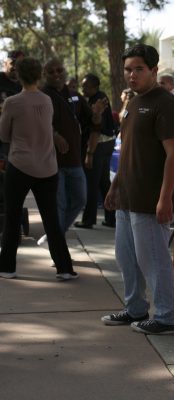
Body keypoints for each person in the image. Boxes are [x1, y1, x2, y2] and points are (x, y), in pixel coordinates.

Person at [102, 44, 174, 335]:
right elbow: (129, 152)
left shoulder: (166, 103)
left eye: (139, 69)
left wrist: (165, 199)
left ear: (154, 70)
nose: (132, 75)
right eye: (128, 69)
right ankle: (135, 309)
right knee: (126, 258)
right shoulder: (134, 104)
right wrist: (115, 187)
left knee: (153, 260)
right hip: (127, 196)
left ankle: (165, 318)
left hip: (151, 200)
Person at [0, 57, 76, 280]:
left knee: (12, 217)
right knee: (51, 219)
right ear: (39, 75)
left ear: (19, 76)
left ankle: (7, 267)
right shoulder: (47, 100)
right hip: (47, 167)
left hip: (20, 165)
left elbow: (3, 135)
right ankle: (64, 268)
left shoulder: (13, 102)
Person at [41, 59, 104, 237]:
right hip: (52, 162)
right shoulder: (40, 96)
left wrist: (97, 114)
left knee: (79, 200)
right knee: (58, 205)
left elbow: (93, 124)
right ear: (44, 75)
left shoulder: (75, 96)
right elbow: (35, 124)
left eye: (59, 70)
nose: (56, 74)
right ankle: (57, 245)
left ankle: (55, 236)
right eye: (51, 71)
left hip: (74, 160)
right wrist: (53, 135)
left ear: (65, 72)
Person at [75, 73, 116, 229]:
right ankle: (111, 218)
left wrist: (89, 153)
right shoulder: (100, 97)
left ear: (94, 86)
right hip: (107, 144)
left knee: (91, 183)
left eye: (85, 86)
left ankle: (88, 219)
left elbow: (96, 130)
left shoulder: (97, 101)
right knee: (103, 182)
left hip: (98, 145)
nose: (83, 88)